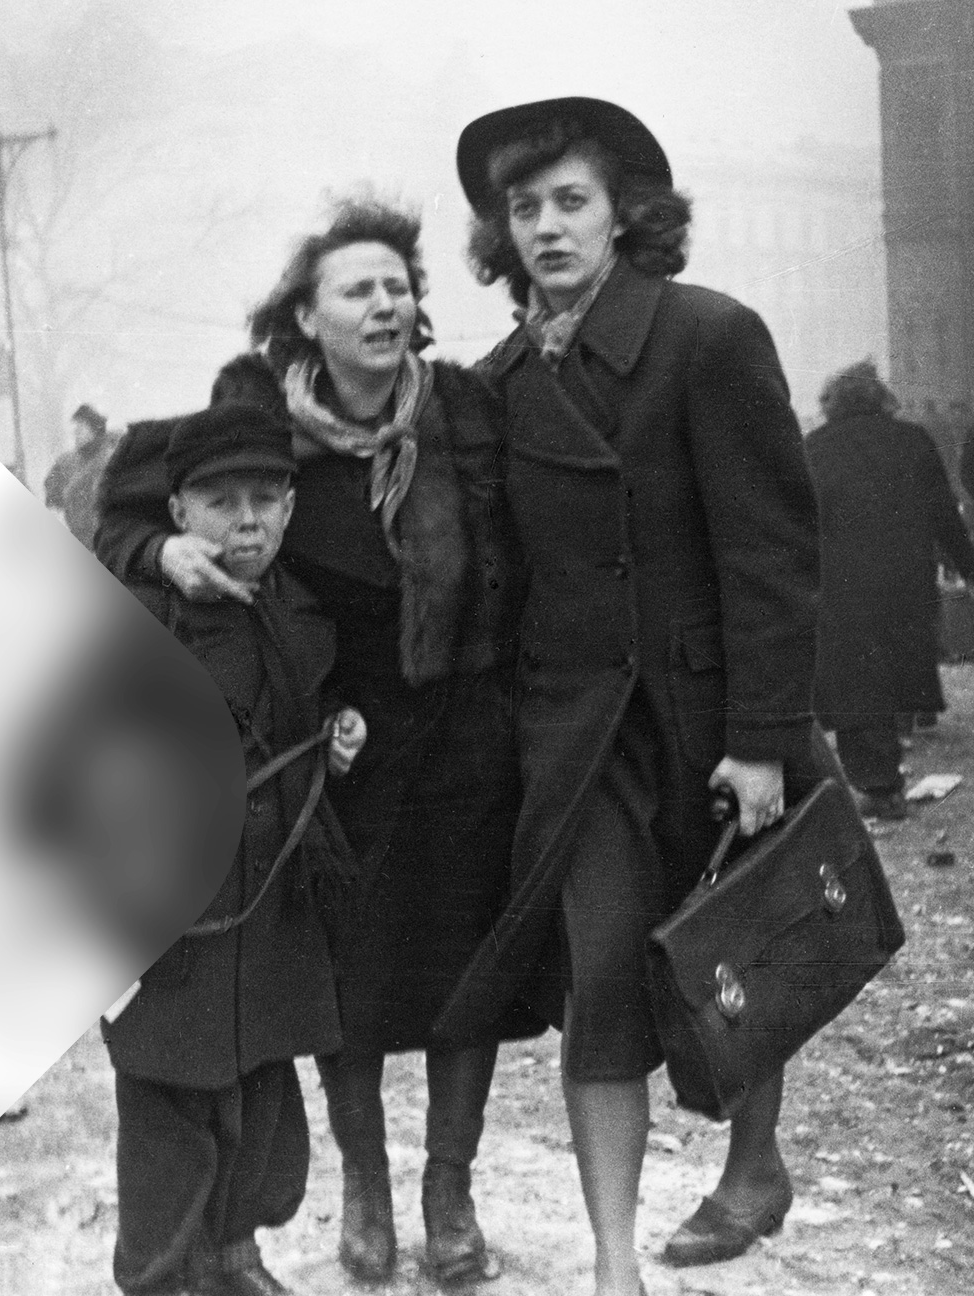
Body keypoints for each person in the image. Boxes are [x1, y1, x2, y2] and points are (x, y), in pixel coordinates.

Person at [94, 198, 542, 1285]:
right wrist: (162, 555)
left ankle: (449, 1189)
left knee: (464, 981)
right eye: (358, 287)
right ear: (308, 312)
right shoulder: (256, 418)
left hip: (465, 745)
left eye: (399, 285)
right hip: (330, 749)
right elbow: (125, 515)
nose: (385, 303)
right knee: (347, 988)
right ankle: (368, 1194)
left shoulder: (469, 412)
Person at [454, 98, 823, 1295]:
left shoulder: (708, 338)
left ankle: (753, 1166)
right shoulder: (498, 380)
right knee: (605, 978)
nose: (547, 227)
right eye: (524, 208)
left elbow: (769, 554)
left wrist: (763, 740)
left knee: (742, 946)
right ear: (502, 236)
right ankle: (615, 1263)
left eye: (572, 200)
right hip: (578, 738)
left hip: (708, 717)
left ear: (624, 214)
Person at [91, 402, 365, 1296]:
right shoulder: (132, 614)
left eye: (265, 498)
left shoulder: (300, 613)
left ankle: (235, 1249)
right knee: (170, 1099)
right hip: (173, 904)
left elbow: (305, 713)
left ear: (290, 508)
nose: (246, 520)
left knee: (259, 1087)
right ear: (177, 514)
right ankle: (164, 1275)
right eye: (220, 502)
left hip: (272, 891)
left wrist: (338, 734)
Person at [808, 361, 974, 820]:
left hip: (843, 585)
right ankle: (884, 777)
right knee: (892, 672)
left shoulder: (816, 448)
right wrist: (969, 568)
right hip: (906, 580)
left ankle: (878, 785)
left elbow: (802, 522)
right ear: (880, 397)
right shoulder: (913, 440)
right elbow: (945, 514)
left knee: (853, 682)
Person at [44, 403, 119, 548]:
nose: (75, 433)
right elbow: (52, 493)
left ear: (94, 431)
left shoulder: (111, 459)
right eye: (75, 429)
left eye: (80, 429)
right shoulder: (67, 461)